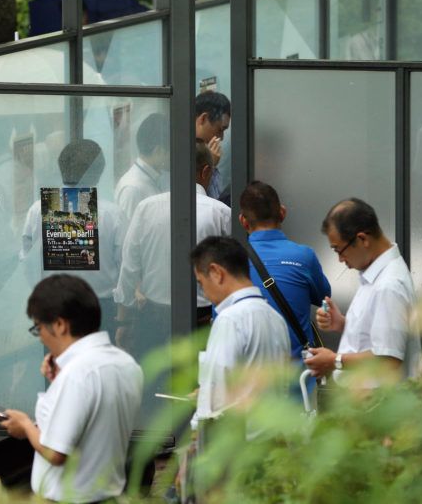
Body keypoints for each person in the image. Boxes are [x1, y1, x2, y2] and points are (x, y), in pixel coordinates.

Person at [0, 274, 143, 503]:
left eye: (38, 328)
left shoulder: (78, 374)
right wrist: (60, 378)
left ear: (59, 324)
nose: (40, 338)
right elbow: (95, 422)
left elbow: (56, 453)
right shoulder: (126, 364)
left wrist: (25, 426)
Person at [115, 139, 230, 358]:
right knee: (197, 386)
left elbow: (129, 266)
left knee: (154, 385)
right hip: (203, 319)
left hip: (153, 318)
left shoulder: (146, 208)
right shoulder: (221, 213)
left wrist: (124, 320)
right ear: (206, 171)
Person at [304, 198, 422, 383]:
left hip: (379, 405)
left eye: (338, 250)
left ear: (362, 239)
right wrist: (343, 323)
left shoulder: (388, 285)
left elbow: (388, 360)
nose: (340, 259)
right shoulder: (376, 274)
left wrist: (333, 361)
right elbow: (381, 338)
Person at [20, 139, 127, 337]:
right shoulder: (112, 214)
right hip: (100, 307)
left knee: (58, 366)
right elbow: (123, 264)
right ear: (99, 173)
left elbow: (27, 260)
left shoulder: (39, 209)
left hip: (53, 305)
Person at [189, 236, 290, 436]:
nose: (205, 294)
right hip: (272, 441)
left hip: (238, 447)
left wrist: (194, 438)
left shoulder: (229, 319)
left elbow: (214, 401)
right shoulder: (275, 317)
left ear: (216, 273)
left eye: (201, 283)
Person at [239, 181, 331, 359]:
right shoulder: (304, 256)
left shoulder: (231, 262)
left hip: (249, 380)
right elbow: (324, 299)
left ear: (243, 221)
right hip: (300, 378)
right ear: (282, 212)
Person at [114, 112, 169, 219]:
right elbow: (128, 233)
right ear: (158, 151)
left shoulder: (161, 177)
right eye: (170, 151)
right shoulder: (132, 189)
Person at [194, 91, 231, 201]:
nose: (221, 137)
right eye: (220, 130)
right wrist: (209, 166)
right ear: (203, 119)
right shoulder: (175, 148)